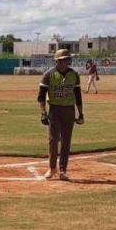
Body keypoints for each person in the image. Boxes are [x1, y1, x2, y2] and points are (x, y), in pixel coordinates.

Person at [37, 49, 85, 180]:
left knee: (66, 141)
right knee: (53, 140)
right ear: (58, 61)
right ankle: (52, 168)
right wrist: (43, 113)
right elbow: (41, 96)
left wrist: (81, 114)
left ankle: (63, 170)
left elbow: (78, 96)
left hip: (69, 110)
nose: (68, 61)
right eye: (65, 59)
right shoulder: (49, 74)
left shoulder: (74, 75)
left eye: (68, 59)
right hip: (55, 110)